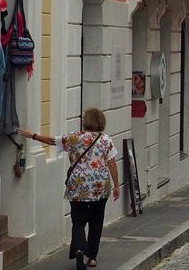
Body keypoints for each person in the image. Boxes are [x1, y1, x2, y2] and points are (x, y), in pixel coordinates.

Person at [19, 108, 119, 270]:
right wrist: (117, 185)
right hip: (100, 186)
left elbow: (53, 141)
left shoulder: (75, 137)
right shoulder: (106, 140)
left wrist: (34, 136)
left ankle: (79, 248)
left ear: (85, 121)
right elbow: (112, 163)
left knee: (78, 221)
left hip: (78, 185)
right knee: (96, 221)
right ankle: (92, 257)